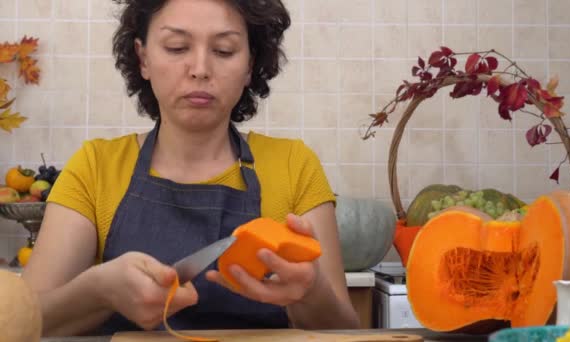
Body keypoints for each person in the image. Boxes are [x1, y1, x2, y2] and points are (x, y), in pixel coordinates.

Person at [21, 0, 360, 336]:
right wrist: (98, 291)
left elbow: (346, 331)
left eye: (224, 50)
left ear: (249, 65)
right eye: (177, 47)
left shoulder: (295, 166)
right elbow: (23, 321)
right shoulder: (95, 167)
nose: (200, 68)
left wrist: (311, 291)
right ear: (143, 58)